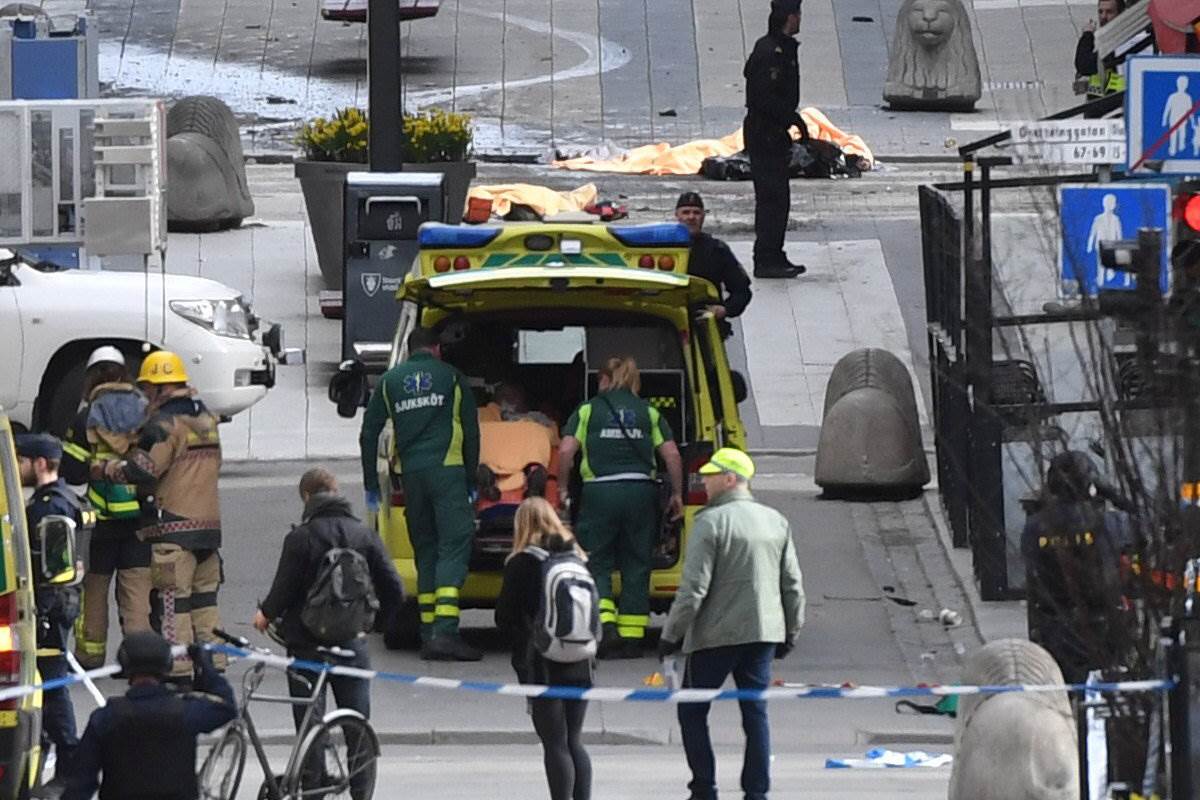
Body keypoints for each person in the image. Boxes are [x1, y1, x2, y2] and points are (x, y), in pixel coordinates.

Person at [658, 448, 805, 800]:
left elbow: (694, 589)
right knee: (755, 713)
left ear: (730, 479)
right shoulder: (775, 521)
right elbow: (792, 584)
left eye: (711, 476)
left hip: (715, 635)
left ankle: (704, 788)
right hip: (763, 633)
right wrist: (791, 631)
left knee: (692, 709)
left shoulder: (710, 522)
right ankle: (757, 791)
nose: (704, 481)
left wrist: (671, 634)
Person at [95, 351, 224, 681]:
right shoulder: (207, 419)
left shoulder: (164, 425)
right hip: (209, 531)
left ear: (160, 388)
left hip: (173, 532)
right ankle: (214, 668)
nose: (145, 396)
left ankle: (179, 673)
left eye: (148, 389)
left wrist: (108, 469)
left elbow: (143, 469)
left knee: (173, 605)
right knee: (205, 604)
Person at [359, 327, 483, 661]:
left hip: (412, 477)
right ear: (437, 349)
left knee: (426, 550)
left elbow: (368, 434)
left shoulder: (389, 382)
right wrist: (471, 478)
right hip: (448, 472)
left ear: (410, 349)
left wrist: (371, 484)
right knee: (453, 546)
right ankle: (446, 632)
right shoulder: (452, 378)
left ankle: (429, 632)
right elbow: (471, 431)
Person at [254, 467, 405, 729]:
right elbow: (395, 589)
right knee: (357, 723)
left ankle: (314, 757)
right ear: (336, 492)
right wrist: (372, 623)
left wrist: (265, 615)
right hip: (351, 639)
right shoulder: (364, 535)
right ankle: (360, 756)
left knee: (309, 725)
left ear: (306, 496)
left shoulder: (300, 538)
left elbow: (283, 589)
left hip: (306, 642)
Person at [557, 356, 684, 658]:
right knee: (637, 563)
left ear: (604, 379)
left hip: (600, 493)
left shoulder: (588, 410)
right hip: (641, 493)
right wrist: (678, 494)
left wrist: (562, 488)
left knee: (596, 559)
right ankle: (632, 636)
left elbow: (565, 451)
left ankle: (606, 626)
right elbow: (672, 455)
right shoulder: (649, 412)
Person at [60, 346, 153, 669]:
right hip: (140, 521)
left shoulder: (86, 417)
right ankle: (140, 660)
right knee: (136, 593)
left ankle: (90, 655)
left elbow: (71, 471)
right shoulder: (146, 412)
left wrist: (95, 469)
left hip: (100, 523)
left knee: (94, 591)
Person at [495, 498, 594, 800]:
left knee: (555, 743)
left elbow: (504, 618)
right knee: (574, 740)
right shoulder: (576, 558)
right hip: (580, 658)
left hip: (542, 662)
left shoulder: (521, 563)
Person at [64, 631, 236, 800]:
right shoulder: (186, 712)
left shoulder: (106, 718)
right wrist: (206, 667)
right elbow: (226, 707)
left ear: (124, 665)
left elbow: (80, 784)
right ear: (167, 665)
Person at [1021, 451, 1131, 683]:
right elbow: (1148, 526)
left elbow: (1032, 568)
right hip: (1101, 625)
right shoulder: (1108, 524)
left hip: (1053, 626)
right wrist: (1113, 494)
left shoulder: (1035, 527)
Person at [18, 433, 84, 786]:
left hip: (50, 610)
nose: (17, 467)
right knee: (45, 688)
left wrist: (39, 614)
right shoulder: (63, 499)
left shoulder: (50, 507)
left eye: (21, 461)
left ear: (40, 463)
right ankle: (43, 759)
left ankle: (70, 767)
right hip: (59, 606)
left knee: (53, 688)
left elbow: (52, 572)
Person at [744, 0, 808, 279]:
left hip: (773, 131)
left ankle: (773, 253)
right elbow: (762, 96)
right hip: (765, 133)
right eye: (798, 14)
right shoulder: (771, 51)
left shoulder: (780, 47)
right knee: (773, 198)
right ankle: (767, 257)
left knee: (778, 198)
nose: (800, 19)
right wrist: (790, 118)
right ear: (790, 17)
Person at [675, 192, 753, 338]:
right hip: (667, 328)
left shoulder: (717, 250)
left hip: (706, 328)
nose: (691, 217)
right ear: (677, 215)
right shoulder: (661, 247)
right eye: (686, 212)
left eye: (696, 213)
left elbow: (742, 291)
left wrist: (724, 310)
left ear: (703, 216)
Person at [1074, 0, 1126, 106]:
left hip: (1114, 107)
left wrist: (1087, 35)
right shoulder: (1106, 39)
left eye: (1109, 12)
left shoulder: (1121, 41)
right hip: (1099, 105)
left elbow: (1083, 64)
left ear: (1121, 14)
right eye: (1100, 12)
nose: (1103, 16)